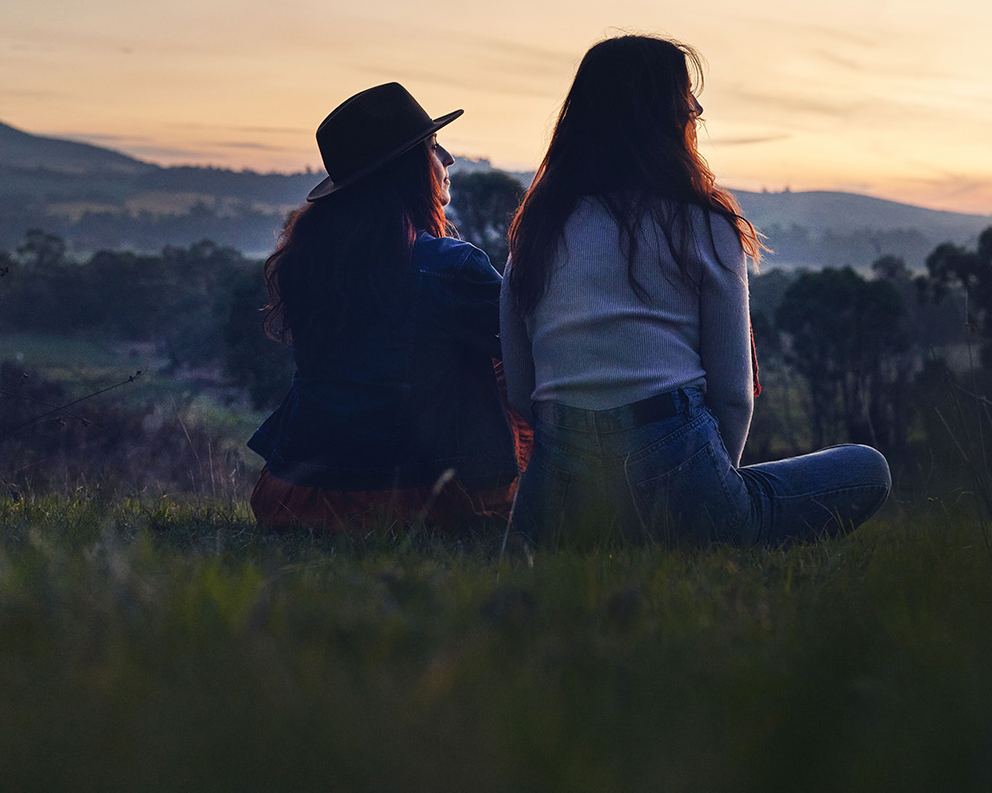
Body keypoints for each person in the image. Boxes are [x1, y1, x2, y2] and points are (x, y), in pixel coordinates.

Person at [501, 35, 891, 546]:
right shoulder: (705, 226)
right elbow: (733, 396)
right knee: (868, 468)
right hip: (678, 464)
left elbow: (521, 394)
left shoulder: (534, 233)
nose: (697, 109)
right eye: (687, 96)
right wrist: (707, 496)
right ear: (662, 115)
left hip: (557, 489)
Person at [248, 82, 527, 531]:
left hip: (293, 495)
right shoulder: (451, 266)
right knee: (509, 361)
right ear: (407, 170)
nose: (449, 159)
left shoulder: (308, 261)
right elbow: (529, 344)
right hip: (412, 499)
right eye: (434, 148)